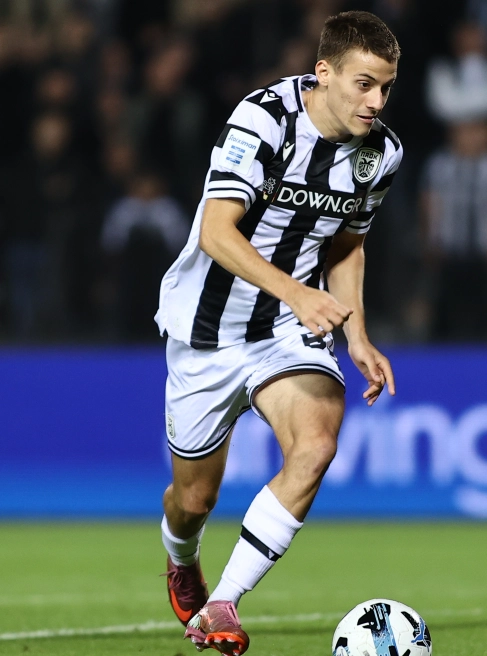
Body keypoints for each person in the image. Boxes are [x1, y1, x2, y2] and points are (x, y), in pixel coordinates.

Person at [154, 11, 402, 655]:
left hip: (287, 331)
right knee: (193, 499)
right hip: (206, 330)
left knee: (317, 444)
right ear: (325, 73)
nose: (376, 102)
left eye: (386, 88)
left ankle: (223, 604)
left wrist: (358, 336)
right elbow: (216, 230)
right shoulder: (264, 119)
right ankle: (181, 558)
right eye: (364, 85)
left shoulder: (381, 153)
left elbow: (347, 243)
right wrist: (297, 290)